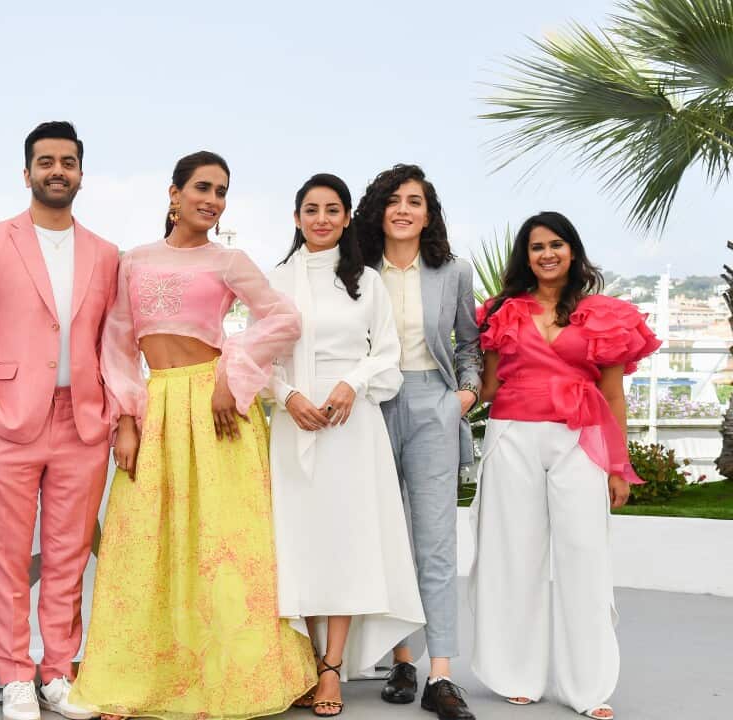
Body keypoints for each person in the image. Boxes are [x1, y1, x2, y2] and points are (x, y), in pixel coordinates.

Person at [69, 151, 316, 720]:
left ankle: (236, 674)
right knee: (145, 543)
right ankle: (138, 675)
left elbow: (283, 320)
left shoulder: (230, 261)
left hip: (216, 408)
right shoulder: (133, 262)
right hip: (156, 408)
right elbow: (118, 344)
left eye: (222, 191)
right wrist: (126, 420)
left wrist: (233, 375)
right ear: (174, 194)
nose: (212, 199)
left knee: (225, 544)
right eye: (202, 187)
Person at [471, 211, 659, 720]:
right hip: (513, 435)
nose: (547, 254)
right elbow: (487, 387)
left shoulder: (605, 314)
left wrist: (618, 467)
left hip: (580, 438)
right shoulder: (500, 311)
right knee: (514, 557)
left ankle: (587, 686)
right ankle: (516, 674)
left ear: (572, 251)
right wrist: (446, 399)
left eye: (557, 244)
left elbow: (613, 395)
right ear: (525, 256)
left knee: (584, 556)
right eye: (536, 247)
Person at [0, 121, 120, 720]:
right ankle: (15, 676)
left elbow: (112, 339)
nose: (58, 170)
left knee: (68, 555)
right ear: (26, 172)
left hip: (82, 424)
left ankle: (58, 670)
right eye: (46, 161)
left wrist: (108, 409)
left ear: (81, 173)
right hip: (8, 420)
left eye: (69, 162)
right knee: (6, 557)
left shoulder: (106, 253)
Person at [267, 174, 425, 717]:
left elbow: (387, 353)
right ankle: (306, 661)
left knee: (346, 541)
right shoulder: (275, 281)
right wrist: (287, 396)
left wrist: (350, 385)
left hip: (351, 428)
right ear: (296, 218)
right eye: (310, 209)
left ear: (347, 217)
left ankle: (332, 667)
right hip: (293, 425)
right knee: (300, 542)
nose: (321, 219)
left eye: (332, 210)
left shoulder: (367, 282)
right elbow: (259, 360)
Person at [352, 163, 479, 719]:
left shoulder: (453, 270)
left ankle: (442, 674)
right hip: (370, 407)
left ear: (429, 213)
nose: (404, 209)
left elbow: (470, 344)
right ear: (379, 209)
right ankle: (403, 659)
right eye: (394, 200)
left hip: (434, 403)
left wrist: (464, 398)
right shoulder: (356, 270)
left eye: (415, 201)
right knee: (388, 540)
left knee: (435, 543)